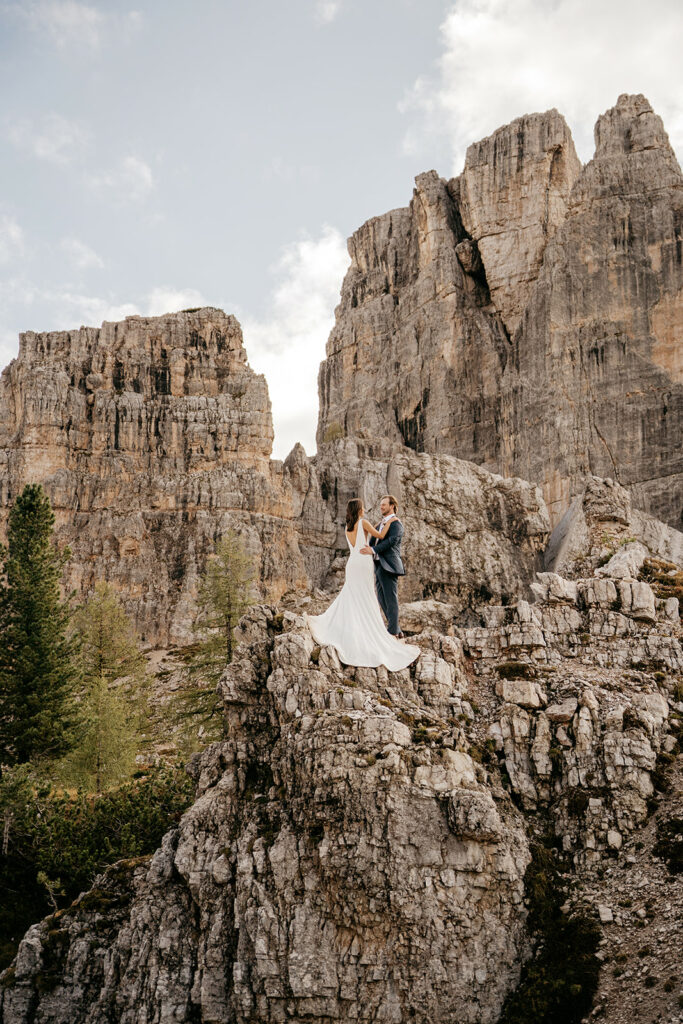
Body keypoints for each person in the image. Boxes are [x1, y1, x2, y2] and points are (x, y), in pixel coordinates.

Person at [306, 498, 419, 670]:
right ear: (359, 509)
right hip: (364, 562)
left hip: (352, 563)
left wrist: (385, 525)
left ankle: (348, 628)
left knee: (352, 595)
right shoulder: (365, 523)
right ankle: (381, 632)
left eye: (383, 504)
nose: (366, 508)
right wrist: (391, 521)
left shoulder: (348, 527)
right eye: (363, 507)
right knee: (366, 596)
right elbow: (381, 536)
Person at [360, 494, 406, 639]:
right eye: (380, 504)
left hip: (390, 565)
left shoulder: (396, 524)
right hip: (379, 564)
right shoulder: (380, 524)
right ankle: (396, 629)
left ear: (392, 506)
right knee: (381, 598)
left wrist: (373, 550)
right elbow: (374, 539)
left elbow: (391, 541)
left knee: (391, 598)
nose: (381, 506)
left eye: (384, 504)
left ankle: (392, 631)